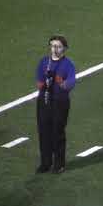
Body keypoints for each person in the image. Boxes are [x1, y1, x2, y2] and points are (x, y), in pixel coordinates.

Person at [35, 35, 76, 174]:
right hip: (44, 101)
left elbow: (70, 84)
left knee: (57, 132)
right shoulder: (44, 62)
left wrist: (58, 80)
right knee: (43, 132)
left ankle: (59, 164)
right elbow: (39, 82)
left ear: (64, 48)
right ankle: (45, 163)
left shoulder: (68, 64)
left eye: (58, 46)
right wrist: (45, 83)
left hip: (60, 102)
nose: (54, 49)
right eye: (52, 46)